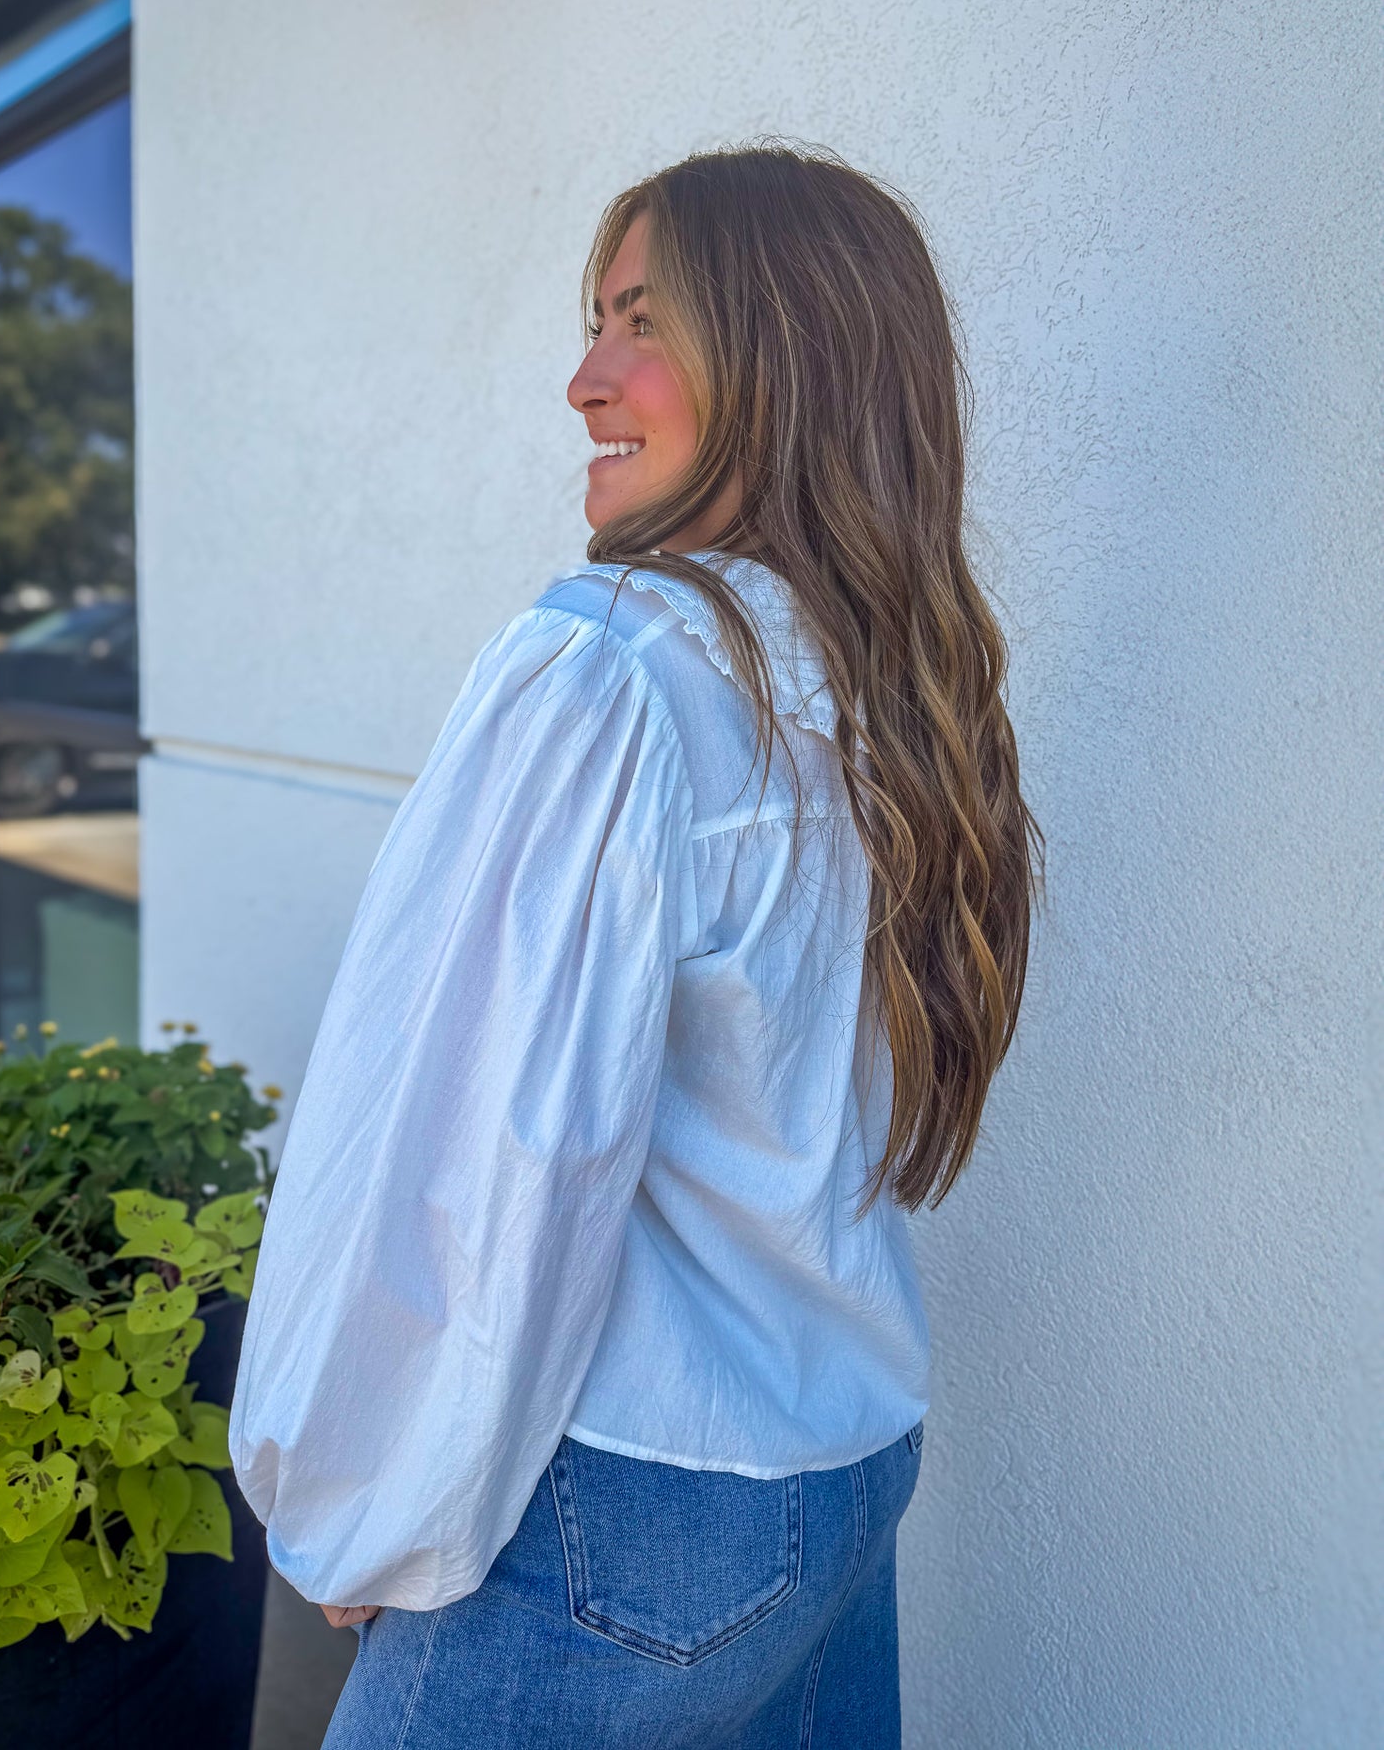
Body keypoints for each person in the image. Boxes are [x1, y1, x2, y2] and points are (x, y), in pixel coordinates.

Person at [229, 142, 1044, 1747]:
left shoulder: (610, 670)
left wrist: (368, 1488)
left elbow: (484, 1142)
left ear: (787, 357)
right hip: (836, 1471)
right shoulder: (887, 688)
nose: (582, 380)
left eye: (642, 323)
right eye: (595, 320)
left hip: (621, 1514)